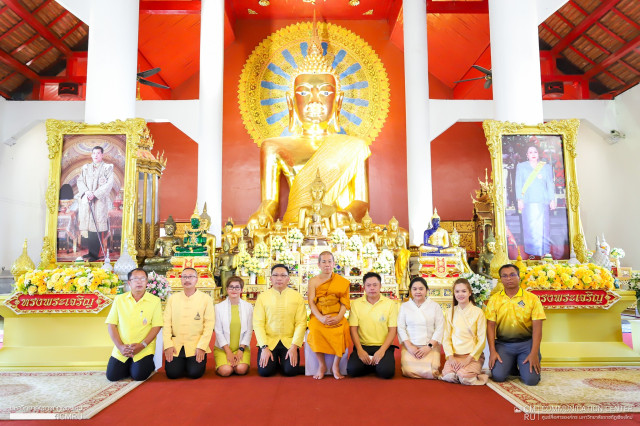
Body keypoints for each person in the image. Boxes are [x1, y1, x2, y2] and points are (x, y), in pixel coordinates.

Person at [249, 21, 370, 227]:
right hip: (294, 227)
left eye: (325, 92)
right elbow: (270, 202)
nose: (314, 101)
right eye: (304, 92)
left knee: (399, 234)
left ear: (338, 101)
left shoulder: (356, 146)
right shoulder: (273, 146)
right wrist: (261, 216)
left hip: (338, 227)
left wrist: (343, 216)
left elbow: (361, 202)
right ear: (290, 101)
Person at [486, 264, 546, 386]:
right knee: (498, 376)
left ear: (519, 277)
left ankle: (524, 361)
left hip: (526, 344)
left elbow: (537, 328)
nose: (509, 278)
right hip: (503, 344)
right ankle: (511, 364)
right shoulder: (494, 299)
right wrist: (492, 351)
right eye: (505, 276)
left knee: (531, 381)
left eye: (512, 275)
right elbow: (490, 326)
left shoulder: (532, 299)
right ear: (501, 279)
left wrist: (534, 353)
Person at [105, 268, 162, 381]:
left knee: (138, 376)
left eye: (142, 279)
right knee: (112, 376)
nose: (139, 282)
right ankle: (130, 363)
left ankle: (147, 364)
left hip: (143, 348)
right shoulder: (119, 299)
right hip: (123, 348)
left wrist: (142, 345)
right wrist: (120, 346)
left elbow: (157, 326)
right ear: (129, 283)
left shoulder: (155, 301)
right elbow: (111, 324)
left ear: (147, 282)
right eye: (135, 279)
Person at [253, 264, 307, 377]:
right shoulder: (262, 297)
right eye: (275, 275)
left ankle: (283, 363)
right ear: (271, 278)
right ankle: (275, 363)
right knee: (265, 372)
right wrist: (264, 347)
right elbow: (258, 324)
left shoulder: (297, 297)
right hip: (269, 341)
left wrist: (294, 346)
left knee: (290, 372)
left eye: (283, 275)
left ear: (288, 278)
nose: (279, 278)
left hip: (289, 342)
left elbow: (301, 323)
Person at [162, 267, 215, 379]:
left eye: (191, 277)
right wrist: (168, 345)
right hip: (176, 345)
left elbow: (209, 325)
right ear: (180, 280)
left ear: (196, 280)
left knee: (194, 374)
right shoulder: (173, 298)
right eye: (184, 277)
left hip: (196, 345)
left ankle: (190, 363)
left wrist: (202, 347)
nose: (187, 279)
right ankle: (181, 363)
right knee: (173, 374)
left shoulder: (206, 299)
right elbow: (166, 323)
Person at [307, 251, 351, 379]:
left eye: (329, 261)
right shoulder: (313, 281)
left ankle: (335, 366)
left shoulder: (342, 282)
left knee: (343, 329)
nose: (327, 264)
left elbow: (345, 303)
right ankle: (322, 365)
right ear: (319, 264)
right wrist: (320, 318)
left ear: (334, 264)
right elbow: (311, 302)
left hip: (336, 314)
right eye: (324, 262)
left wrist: (338, 317)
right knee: (314, 330)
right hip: (319, 315)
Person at [347, 272, 398, 379]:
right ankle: (374, 364)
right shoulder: (356, 304)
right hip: (363, 346)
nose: (372, 288)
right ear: (364, 287)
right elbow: (353, 329)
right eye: (368, 285)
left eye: (375, 285)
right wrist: (360, 350)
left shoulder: (390, 304)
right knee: (352, 370)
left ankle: (374, 364)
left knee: (386, 373)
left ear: (380, 286)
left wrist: (382, 350)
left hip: (383, 346)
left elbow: (392, 330)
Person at [441, 278, 488, 385]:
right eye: (457, 291)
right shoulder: (449, 312)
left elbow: (482, 339)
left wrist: (468, 359)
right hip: (455, 355)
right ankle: (458, 372)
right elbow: (446, 337)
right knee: (449, 376)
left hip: (472, 356)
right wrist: (451, 357)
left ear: (470, 293)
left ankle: (479, 376)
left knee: (465, 378)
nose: (460, 294)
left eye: (464, 291)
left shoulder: (478, 312)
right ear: (454, 293)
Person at [397, 277, 444, 379]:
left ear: (427, 290)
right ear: (410, 291)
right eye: (414, 289)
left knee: (433, 371)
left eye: (421, 289)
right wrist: (409, 346)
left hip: (430, 345)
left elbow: (440, 328)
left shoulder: (435, 306)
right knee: (407, 371)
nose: (418, 291)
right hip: (411, 346)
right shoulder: (404, 306)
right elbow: (401, 328)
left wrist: (428, 347)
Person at [515, 143, 556, 257]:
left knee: (544, 227)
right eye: (530, 152)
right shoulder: (521, 166)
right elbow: (518, 184)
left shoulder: (546, 167)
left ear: (538, 154)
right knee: (530, 227)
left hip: (542, 200)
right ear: (527, 155)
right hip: (528, 200)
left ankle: (544, 251)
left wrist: (552, 199)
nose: (533, 154)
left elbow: (550, 184)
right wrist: (519, 199)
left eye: (535, 152)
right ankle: (531, 251)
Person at [76, 145, 114, 261]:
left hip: (99, 201)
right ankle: (90, 252)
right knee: (88, 227)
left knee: (95, 227)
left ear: (102, 155)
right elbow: (80, 181)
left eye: (98, 153)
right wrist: (87, 192)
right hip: (87, 200)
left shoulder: (107, 168)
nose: (96, 155)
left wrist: (95, 194)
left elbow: (109, 184)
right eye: (94, 153)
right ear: (91, 155)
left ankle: (95, 254)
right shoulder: (86, 168)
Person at [214, 276, 254, 376]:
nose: (234, 290)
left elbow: (249, 331)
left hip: (241, 347)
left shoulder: (248, 307)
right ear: (227, 289)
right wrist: (228, 352)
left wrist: (241, 350)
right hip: (223, 348)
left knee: (241, 369)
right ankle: (222, 364)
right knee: (226, 371)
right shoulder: (218, 307)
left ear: (241, 289)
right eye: (231, 287)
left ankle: (240, 361)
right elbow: (218, 331)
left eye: (237, 287)